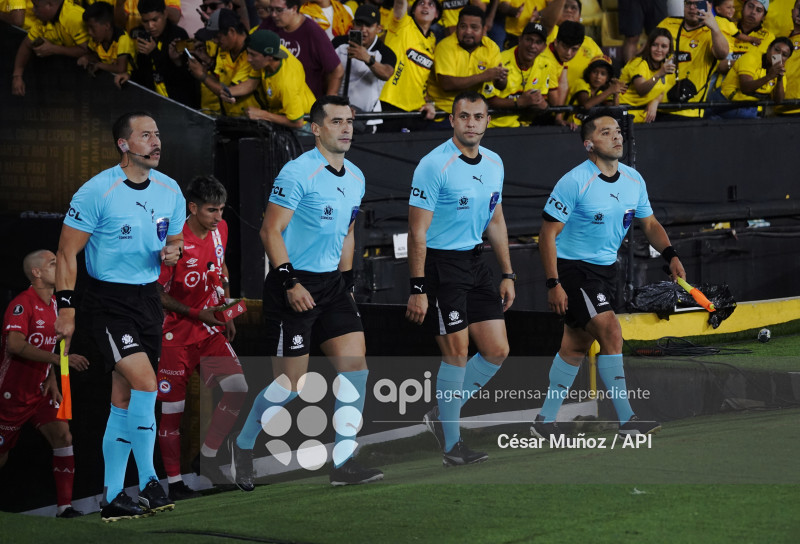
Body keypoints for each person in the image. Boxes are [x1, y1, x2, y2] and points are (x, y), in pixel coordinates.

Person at [230, 96, 384, 489]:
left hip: (332, 286)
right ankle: (243, 444)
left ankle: (343, 463)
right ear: (316, 129)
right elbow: (270, 230)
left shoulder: (356, 177)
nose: (346, 128)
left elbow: (348, 233)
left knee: (356, 370)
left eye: (349, 121)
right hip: (292, 284)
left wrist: (347, 284)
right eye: (336, 122)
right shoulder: (298, 172)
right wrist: (290, 282)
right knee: (291, 385)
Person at [55, 112, 185, 522]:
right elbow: (66, 252)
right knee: (146, 384)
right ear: (123, 144)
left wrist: (174, 251)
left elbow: (176, 238)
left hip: (148, 299)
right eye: (146, 135)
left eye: (157, 134)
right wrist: (66, 308)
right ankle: (149, 481)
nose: (156, 141)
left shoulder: (170, 189)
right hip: (107, 301)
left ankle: (112, 497)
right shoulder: (98, 190)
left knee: (124, 398)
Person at [533, 109, 686, 441]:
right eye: (605, 132)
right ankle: (627, 420)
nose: (616, 136)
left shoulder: (633, 179)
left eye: (617, 130)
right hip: (574, 269)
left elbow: (650, 223)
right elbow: (546, 235)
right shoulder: (574, 181)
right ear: (588, 144)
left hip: (606, 270)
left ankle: (544, 419)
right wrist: (553, 283)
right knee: (611, 332)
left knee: (575, 346)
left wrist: (670, 254)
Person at [405, 91, 515, 467]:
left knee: (497, 350)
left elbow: (496, 220)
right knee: (457, 354)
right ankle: (453, 447)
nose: (471, 123)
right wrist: (417, 287)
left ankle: (441, 414)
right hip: (440, 266)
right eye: (464, 116)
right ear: (452, 120)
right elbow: (417, 232)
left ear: (487, 121)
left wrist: (507, 273)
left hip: (475, 262)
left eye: (478, 116)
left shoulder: (495, 163)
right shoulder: (434, 165)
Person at [156, 176, 247, 501]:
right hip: (174, 336)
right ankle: (175, 483)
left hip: (209, 329)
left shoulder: (220, 230)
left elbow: (220, 268)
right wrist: (198, 314)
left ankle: (207, 457)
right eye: (211, 210)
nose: (218, 217)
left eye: (222, 209)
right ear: (192, 208)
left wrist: (226, 309)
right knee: (173, 412)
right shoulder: (175, 240)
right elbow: (157, 294)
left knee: (237, 389)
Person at [1, 250, 90, 519]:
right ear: (36, 272)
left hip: (41, 391)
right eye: (52, 263)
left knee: (64, 437)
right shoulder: (21, 304)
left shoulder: (55, 305)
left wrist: (52, 378)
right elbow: (15, 346)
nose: (59, 266)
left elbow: (50, 346)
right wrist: (59, 361)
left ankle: (65, 508)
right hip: (11, 394)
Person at [427, 5, 507, 124]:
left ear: (484, 29)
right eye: (463, 26)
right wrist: (484, 76)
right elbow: (447, 84)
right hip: (444, 114)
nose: (468, 31)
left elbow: (500, 85)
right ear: (457, 27)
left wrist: (501, 78)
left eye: (474, 27)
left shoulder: (491, 47)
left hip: (473, 113)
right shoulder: (445, 46)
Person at [221, 29, 315, 128]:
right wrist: (229, 92)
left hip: (303, 124)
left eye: (253, 55)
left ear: (269, 57)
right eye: (248, 53)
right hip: (281, 115)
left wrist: (263, 115)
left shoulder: (287, 83)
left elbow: (298, 123)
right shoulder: (270, 53)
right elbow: (251, 83)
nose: (248, 59)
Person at [657, 0, 728, 118]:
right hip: (658, 106)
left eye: (697, 4)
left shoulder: (712, 31)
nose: (692, 8)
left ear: (708, 5)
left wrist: (714, 28)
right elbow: (647, 52)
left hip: (691, 111)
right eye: (688, 3)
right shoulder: (668, 23)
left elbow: (722, 54)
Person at [258, 0, 344, 97]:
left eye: (279, 10)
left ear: (294, 9)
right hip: (274, 98)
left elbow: (337, 70)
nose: (273, 14)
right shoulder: (269, 24)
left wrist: (329, 99)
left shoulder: (312, 31)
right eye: (271, 9)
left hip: (306, 100)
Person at [123, 0, 200, 109]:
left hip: (179, 105)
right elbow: (143, 72)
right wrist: (129, 76)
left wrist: (154, 52)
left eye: (155, 20)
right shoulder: (142, 36)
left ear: (165, 14)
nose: (150, 26)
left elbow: (185, 78)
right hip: (153, 104)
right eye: (145, 21)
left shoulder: (179, 35)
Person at [332, 4, 397, 132]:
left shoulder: (385, 52)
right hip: (336, 114)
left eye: (369, 25)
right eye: (359, 24)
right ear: (352, 24)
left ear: (379, 28)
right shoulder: (338, 43)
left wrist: (367, 58)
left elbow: (386, 73)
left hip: (366, 119)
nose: (363, 29)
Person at [378, 0, 440, 131]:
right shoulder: (403, 23)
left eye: (431, 4)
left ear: (436, 14)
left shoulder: (432, 39)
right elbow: (400, 3)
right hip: (389, 104)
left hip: (416, 110)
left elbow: (423, 78)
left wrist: (429, 103)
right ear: (413, 10)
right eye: (421, 3)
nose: (425, 6)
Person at [188, 8, 261, 117]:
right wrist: (207, 61)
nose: (215, 41)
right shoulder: (224, 49)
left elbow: (231, 94)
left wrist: (202, 75)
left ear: (231, 31)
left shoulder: (251, 55)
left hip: (253, 119)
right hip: (230, 117)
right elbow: (221, 79)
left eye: (217, 37)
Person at [11, 0, 89, 97]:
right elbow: (26, 44)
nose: (33, 10)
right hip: (65, 76)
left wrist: (53, 49)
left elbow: (87, 50)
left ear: (49, 5)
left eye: (36, 6)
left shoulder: (73, 17)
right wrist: (17, 75)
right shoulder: (43, 21)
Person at [484, 21, 550, 128]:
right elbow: (488, 100)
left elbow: (541, 99)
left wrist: (543, 105)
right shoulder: (499, 61)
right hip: (490, 126)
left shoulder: (545, 64)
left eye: (538, 42)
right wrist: (519, 102)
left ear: (544, 47)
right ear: (520, 39)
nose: (532, 46)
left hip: (519, 126)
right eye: (529, 40)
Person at [715, 36, 791, 117]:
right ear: (769, 48)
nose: (779, 55)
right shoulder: (751, 58)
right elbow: (745, 88)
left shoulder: (779, 71)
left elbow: (778, 101)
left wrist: (779, 79)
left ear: (787, 59)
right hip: (725, 103)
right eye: (776, 50)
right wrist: (769, 77)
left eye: (784, 55)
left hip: (749, 108)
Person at [619, 28, 676, 123]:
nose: (659, 50)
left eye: (664, 46)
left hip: (644, 119)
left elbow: (663, 92)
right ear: (648, 46)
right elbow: (641, 90)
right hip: (624, 116)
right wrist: (659, 74)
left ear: (669, 49)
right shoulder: (638, 63)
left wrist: (655, 101)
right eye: (655, 45)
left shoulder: (665, 66)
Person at [78, 2, 135, 78]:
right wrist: (86, 58)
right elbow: (94, 56)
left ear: (107, 26)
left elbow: (121, 69)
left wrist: (99, 65)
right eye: (87, 28)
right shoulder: (95, 39)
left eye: (92, 28)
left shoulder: (122, 39)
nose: (89, 32)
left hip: (130, 80)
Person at [569, 55, 627, 123]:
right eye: (595, 72)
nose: (598, 77)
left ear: (607, 78)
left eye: (603, 74)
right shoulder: (580, 83)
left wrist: (616, 93)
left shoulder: (602, 91)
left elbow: (614, 111)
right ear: (589, 73)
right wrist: (611, 90)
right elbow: (587, 105)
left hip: (589, 126)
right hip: (570, 126)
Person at [114, 0, 182, 33]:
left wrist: (156, 4)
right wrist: (119, 4)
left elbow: (175, 17)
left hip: (161, 48)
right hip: (133, 48)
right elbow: (118, 24)